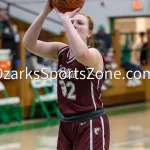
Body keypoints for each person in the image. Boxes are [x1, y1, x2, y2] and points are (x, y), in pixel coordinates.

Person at [23, 0, 110, 149]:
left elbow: (81, 53)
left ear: (89, 33)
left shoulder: (93, 54)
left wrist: (65, 20)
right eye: (72, 22)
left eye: (80, 23)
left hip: (89, 122)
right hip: (66, 123)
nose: (75, 25)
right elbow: (29, 44)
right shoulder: (61, 51)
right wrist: (45, 13)